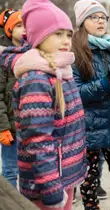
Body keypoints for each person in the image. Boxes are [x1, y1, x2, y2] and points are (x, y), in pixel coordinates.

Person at [0, 0, 88, 209]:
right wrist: (51, 192)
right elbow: (38, 140)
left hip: (63, 176)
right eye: (57, 33)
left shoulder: (61, 70)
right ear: (39, 35)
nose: (66, 40)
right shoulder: (37, 78)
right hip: (48, 184)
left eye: (68, 34)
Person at [72, 0, 110, 209]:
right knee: (89, 183)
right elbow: (76, 93)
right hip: (88, 130)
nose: (100, 21)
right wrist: (105, 84)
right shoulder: (76, 52)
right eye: (93, 17)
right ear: (82, 22)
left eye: (103, 17)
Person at [0, 8, 24, 188]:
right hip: (11, 128)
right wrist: (3, 128)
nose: (24, 29)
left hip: (32, 126)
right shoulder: (3, 58)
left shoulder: (35, 53)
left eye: (27, 25)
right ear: (9, 30)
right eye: (19, 25)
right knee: (10, 170)